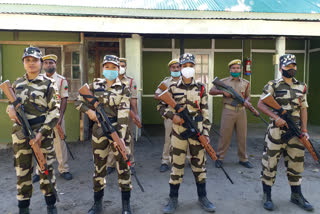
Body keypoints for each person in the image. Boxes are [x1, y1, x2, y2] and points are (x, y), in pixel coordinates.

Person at [75, 55, 133, 214]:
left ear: (118, 69)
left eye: (114, 67)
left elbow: (124, 112)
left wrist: (119, 137)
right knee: (99, 168)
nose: (110, 70)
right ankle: (97, 204)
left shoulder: (124, 88)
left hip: (118, 131)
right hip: (99, 131)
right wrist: (89, 112)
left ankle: (126, 206)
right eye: (107, 67)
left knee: (123, 168)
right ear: (103, 68)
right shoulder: (94, 85)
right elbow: (78, 101)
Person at [6, 47, 60, 214]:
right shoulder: (17, 83)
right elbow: (11, 104)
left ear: (40, 63)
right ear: (23, 62)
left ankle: (51, 206)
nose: (31, 63)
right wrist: (10, 110)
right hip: (21, 134)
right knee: (22, 171)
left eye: (35, 60)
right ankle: (24, 208)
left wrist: (41, 133)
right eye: (27, 60)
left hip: (42, 134)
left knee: (46, 170)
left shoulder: (48, 83)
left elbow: (55, 111)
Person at [160, 53, 215, 213]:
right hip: (178, 132)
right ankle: (173, 199)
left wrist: (206, 132)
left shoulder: (201, 88)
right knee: (177, 166)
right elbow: (161, 107)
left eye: (191, 65)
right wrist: (172, 116)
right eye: (185, 66)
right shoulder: (171, 87)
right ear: (181, 68)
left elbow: (205, 111)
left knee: (200, 166)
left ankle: (203, 197)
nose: (187, 68)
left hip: (197, 130)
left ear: (194, 68)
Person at [257, 54, 313, 211]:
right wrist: (276, 117)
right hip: (276, 131)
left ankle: (296, 195)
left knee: (296, 162)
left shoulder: (302, 86)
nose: (292, 69)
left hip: (295, 131)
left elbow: (303, 109)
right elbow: (261, 104)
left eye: (294, 66)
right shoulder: (273, 84)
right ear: (281, 68)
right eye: (288, 66)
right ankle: (266, 195)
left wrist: (304, 130)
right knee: (270, 162)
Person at [32, 54, 73, 183]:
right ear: (43, 65)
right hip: (41, 117)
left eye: (51, 63)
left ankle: (64, 169)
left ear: (55, 64)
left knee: (60, 143)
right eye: (46, 63)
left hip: (56, 116)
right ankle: (40, 170)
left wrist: (60, 117)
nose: (49, 65)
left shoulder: (61, 80)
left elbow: (64, 98)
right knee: (40, 142)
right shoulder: (38, 79)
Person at [209, 59, 253, 169]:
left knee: (242, 136)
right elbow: (211, 91)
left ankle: (243, 159)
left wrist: (247, 101)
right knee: (225, 136)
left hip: (241, 111)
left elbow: (248, 95)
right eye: (233, 68)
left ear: (240, 70)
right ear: (230, 70)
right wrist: (222, 92)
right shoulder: (224, 82)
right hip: (228, 110)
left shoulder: (245, 83)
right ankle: (220, 158)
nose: (236, 70)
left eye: (238, 68)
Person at [106, 57, 139, 175]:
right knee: (111, 138)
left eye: (123, 65)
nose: (121, 68)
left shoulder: (130, 82)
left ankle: (131, 163)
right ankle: (110, 164)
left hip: (126, 115)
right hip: (110, 114)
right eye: (119, 65)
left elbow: (134, 100)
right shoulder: (107, 81)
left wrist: (136, 115)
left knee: (128, 138)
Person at [155, 59, 181, 172]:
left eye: (177, 67)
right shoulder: (166, 82)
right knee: (168, 139)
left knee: (188, 137)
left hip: (184, 113)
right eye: (173, 67)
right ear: (170, 69)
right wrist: (166, 97)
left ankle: (190, 160)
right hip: (170, 113)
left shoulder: (185, 81)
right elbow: (156, 95)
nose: (175, 69)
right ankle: (165, 161)